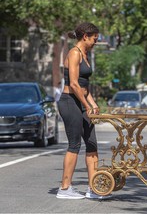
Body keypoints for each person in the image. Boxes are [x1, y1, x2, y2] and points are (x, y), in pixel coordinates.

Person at [56, 22, 111, 200]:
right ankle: (65, 189)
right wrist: (87, 106)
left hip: (81, 101)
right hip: (69, 102)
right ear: (85, 36)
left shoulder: (86, 55)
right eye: (95, 38)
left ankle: (93, 188)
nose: (96, 41)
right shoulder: (74, 53)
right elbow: (73, 84)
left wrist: (93, 103)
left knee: (92, 144)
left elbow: (85, 87)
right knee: (74, 145)